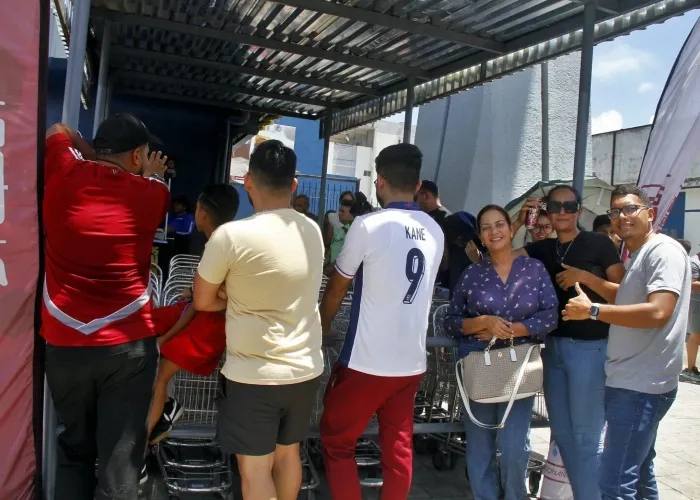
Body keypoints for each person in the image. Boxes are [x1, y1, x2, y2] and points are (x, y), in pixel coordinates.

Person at [42, 114, 169, 500]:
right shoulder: (153, 195)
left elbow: (57, 130)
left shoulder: (62, 174)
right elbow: (155, 183)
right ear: (136, 156)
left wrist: (84, 151)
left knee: (75, 451)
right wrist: (151, 172)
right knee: (120, 461)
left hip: (65, 344)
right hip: (127, 347)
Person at [193, 140, 324, 500]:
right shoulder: (311, 231)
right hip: (304, 369)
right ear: (294, 184)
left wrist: (231, 295)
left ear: (247, 181)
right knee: (288, 456)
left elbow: (202, 300)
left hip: (254, 376)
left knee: (254, 471)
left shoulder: (231, 237)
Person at [319, 143, 444, 499]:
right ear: (419, 183)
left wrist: (320, 326)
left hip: (367, 360)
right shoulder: (435, 230)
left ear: (380, 181)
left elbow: (337, 288)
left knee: (337, 441)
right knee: (398, 447)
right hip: (410, 361)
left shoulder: (368, 224)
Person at [563, 184, 690, 499]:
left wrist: (592, 310)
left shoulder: (663, 251)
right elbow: (628, 297)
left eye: (630, 208)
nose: (622, 216)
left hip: (640, 387)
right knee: (640, 474)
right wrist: (591, 280)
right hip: (636, 383)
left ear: (650, 214)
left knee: (615, 482)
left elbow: (659, 311)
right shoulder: (642, 254)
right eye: (615, 211)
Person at [516, 186, 625, 499]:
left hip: (591, 350)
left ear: (579, 209)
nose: (563, 211)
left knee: (587, 439)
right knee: (563, 437)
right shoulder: (544, 249)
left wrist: (587, 277)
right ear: (548, 211)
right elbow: (498, 256)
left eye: (570, 205)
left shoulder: (598, 242)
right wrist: (520, 222)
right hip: (555, 350)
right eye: (556, 206)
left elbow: (624, 294)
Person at [444, 204, 558, 500]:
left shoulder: (533, 269)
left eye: (499, 225)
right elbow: (452, 320)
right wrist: (481, 322)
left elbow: (550, 315)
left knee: (514, 444)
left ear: (511, 228)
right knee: (480, 442)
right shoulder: (472, 273)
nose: (494, 231)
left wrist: (514, 329)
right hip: (479, 362)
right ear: (480, 236)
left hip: (519, 365)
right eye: (486, 227)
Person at [142, 184, 240, 480]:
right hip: (207, 318)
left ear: (203, 212)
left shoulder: (218, 244)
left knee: (160, 373)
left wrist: (166, 338)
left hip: (208, 325)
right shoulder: (229, 240)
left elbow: (198, 306)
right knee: (147, 322)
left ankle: (141, 449)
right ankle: (163, 410)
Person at [678, 240, 700, 378]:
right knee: (696, 334)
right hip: (697, 302)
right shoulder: (695, 262)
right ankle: (690, 369)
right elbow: (693, 284)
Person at [324, 199, 354, 275]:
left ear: (351, 214)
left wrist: (333, 266)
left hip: (342, 271)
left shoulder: (353, 232)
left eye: (342, 211)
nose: (339, 214)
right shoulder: (340, 229)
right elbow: (332, 246)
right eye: (339, 211)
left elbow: (346, 253)